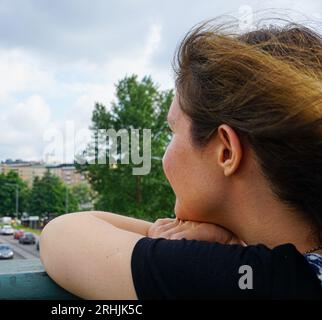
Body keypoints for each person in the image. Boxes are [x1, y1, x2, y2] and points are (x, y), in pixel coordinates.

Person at [39, 17, 322, 299]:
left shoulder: (243, 279)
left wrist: (169, 234)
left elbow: (60, 235)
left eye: (172, 131)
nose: (165, 156)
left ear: (226, 152)